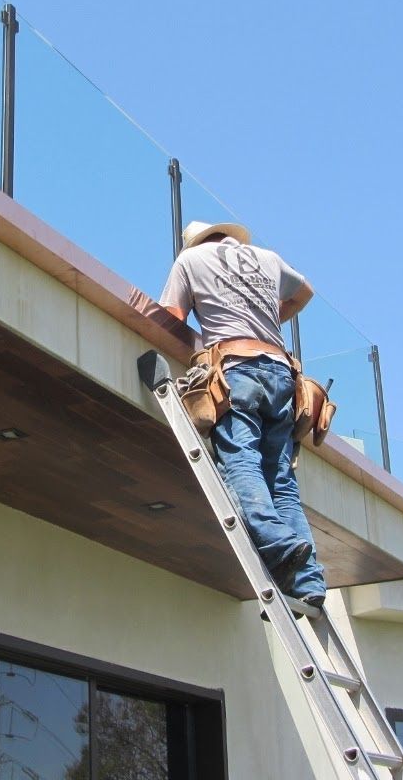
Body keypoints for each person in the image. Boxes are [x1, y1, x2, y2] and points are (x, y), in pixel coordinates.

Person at [160, 220, 327, 607]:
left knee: (241, 462)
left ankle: (278, 543)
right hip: (282, 373)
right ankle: (309, 580)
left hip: (236, 368)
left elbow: (170, 318)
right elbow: (305, 293)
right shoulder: (266, 258)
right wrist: (265, 319)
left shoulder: (191, 260)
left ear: (196, 242)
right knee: (281, 480)